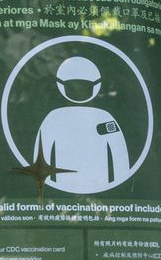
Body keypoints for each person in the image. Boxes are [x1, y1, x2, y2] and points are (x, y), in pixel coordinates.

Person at [32, 54, 129, 193]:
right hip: (64, 186)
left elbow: (119, 153)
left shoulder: (103, 117)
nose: (79, 91)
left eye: (84, 86)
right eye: (72, 86)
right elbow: (40, 156)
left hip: (100, 184)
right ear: (62, 85)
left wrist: (120, 183)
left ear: (95, 85)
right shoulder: (54, 117)